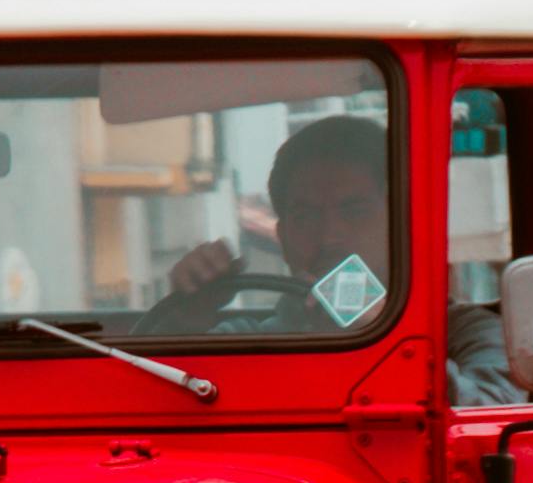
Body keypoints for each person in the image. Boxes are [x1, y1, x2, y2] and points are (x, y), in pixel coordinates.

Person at [167, 113, 393, 326]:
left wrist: (382, 328)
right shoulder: (249, 345)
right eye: (306, 216)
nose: (328, 236)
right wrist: (186, 317)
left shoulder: (427, 330)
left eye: (355, 211)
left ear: (399, 225)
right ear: (282, 236)